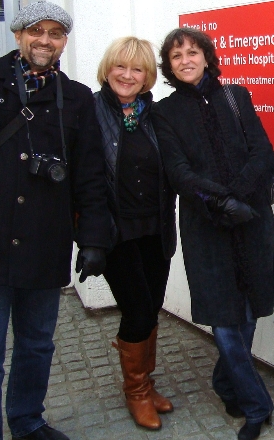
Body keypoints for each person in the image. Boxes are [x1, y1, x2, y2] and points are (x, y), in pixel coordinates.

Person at [0, 1, 111, 440]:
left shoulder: (77, 98)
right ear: (18, 35)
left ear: (64, 41)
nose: (44, 40)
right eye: (36, 31)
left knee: (36, 345)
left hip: (45, 242)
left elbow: (90, 173)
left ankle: (27, 422)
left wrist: (93, 238)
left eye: (54, 33)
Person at [152, 28, 274, 440]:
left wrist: (237, 197)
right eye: (176, 56)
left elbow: (263, 152)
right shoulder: (164, 112)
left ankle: (227, 382)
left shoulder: (238, 96)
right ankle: (256, 405)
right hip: (205, 223)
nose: (185, 60)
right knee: (224, 319)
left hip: (251, 217)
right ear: (169, 66)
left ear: (207, 58)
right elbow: (178, 172)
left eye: (193, 52)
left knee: (247, 312)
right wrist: (217, 201)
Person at [93, 36, 177, 430]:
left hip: (156, 229)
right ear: (108, 69)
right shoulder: (89, 111)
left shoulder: (154, 115)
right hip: (116, 232)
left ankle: (146, 381)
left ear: (148, 77)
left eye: (137, 69)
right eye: (120, 67)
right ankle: (136, 392)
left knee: (153, 306)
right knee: (138, 309)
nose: (127, 76)